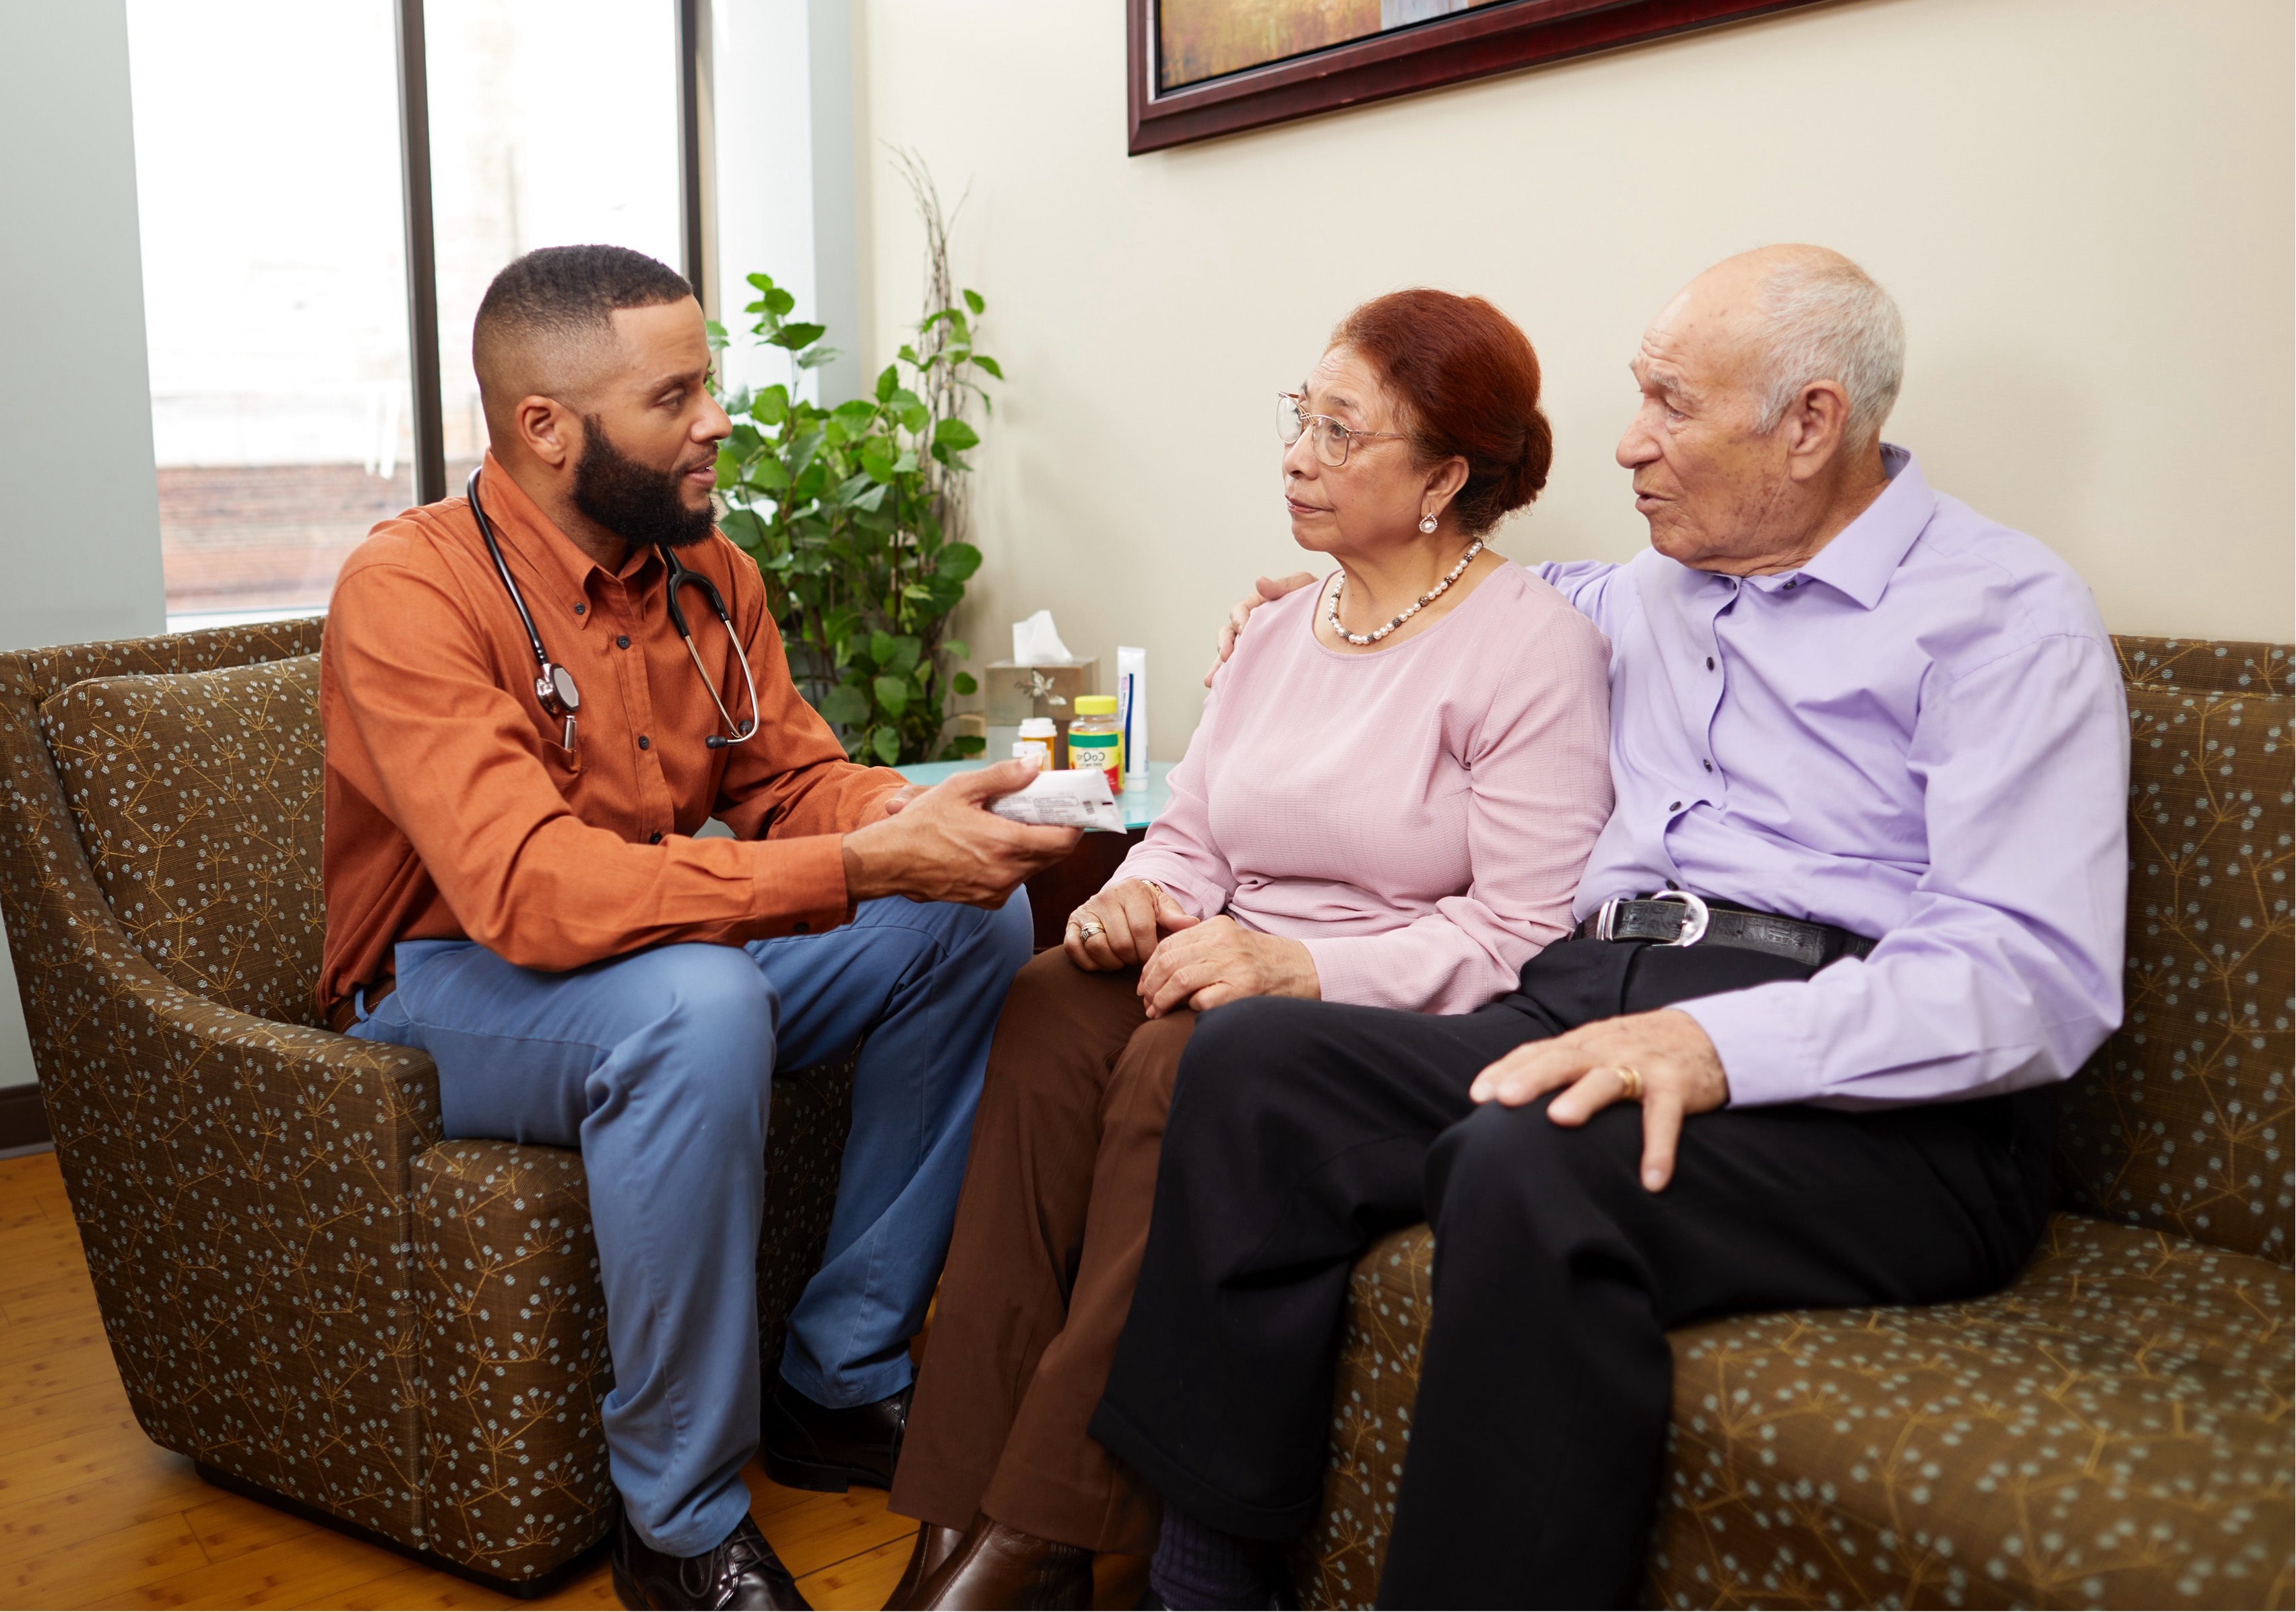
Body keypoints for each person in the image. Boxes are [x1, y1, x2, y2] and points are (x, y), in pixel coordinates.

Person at [1093, 245, 2130, 1610]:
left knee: (1527, 1161)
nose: (1627, 444)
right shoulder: (1649, 584)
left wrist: (1714, 1048)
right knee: (1254, 1066)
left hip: (1868, 1097)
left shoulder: (2004, 618)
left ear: (1809, 423)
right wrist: (1323, 597)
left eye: (1668, 406)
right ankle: (1206, 1580)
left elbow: (2030, 979)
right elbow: (1458, 603)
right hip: (1594, 993)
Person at [320, 244, 1080, 1611]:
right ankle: (672, 1524)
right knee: (701, 1004)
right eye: (674, 396)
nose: (717, 419)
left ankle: (836, 1382)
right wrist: (851, 863)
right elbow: (532, 893)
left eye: (708, 384)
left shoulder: (707, 572)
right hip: (449, 983)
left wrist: (917, 818)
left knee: (966, 924)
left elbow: (784, 781)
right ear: (546, 428)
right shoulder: (412, 589)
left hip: (656, 955)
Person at [883, 291, 1615, 1611]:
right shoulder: (1283, 627)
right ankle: (954, 1509)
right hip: (1228, 964)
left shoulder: (1531, 651)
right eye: (1300, 419)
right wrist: (1139, 900)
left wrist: (1301, 970)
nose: (1296, 457)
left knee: (1179, 1058)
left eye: (1342, 435)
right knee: (1049, 1001)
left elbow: (1520, 930)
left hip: (1384, 1009)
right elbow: (1197, 835)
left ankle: (1040, 1529)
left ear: (1444, 476)